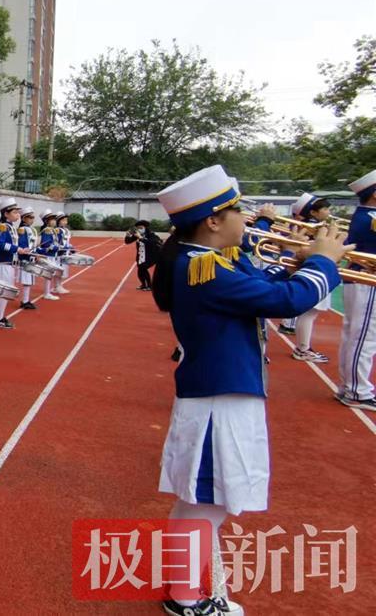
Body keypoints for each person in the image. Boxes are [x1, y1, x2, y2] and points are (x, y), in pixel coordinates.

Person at [151, 165, 349, 615]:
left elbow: (263, 287)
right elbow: (284, 303)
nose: (247, 217)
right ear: (213, 222)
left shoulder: (216, 260)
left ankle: (185, 591)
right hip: (221, 395)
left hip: (223, 391)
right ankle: (185, 599)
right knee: (210, 500)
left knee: (202, 498)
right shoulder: (202, 268)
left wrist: (303, 265)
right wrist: (321, 263)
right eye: (236, 209)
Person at [337, 170, 376, 412]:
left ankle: (350, 386)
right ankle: (357, 391)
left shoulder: (365, 215)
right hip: (367, 280)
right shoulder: (370, 218)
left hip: (360, 280)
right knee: (364, 338)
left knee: (354, 335)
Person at [286, 193, 334, 363]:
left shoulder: (311, 225)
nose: (329, 212)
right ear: (313, 213)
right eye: (326, 209)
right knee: (309, 313)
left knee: (309, 313)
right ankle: (302, 349)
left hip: (310, 269)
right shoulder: (313, 228)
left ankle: (303, 348)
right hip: (313, 270)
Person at [0, 198, 27, 329]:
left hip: (9, 263)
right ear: (6, 214)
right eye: (15, 212)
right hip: (3, 264)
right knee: (3, 291)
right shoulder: (3, 227)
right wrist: (16, 249)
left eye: (18, 212)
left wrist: (22, 250)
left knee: (5, 291)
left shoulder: (11, 227)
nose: (18, 215)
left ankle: (0, 317)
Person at [125, 220, 163, 291]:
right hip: (141, 256)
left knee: (143, 268)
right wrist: (127, 236)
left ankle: (149, 286)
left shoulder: (152, 235)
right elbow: (128, 242)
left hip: (151, 256)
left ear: (145, 227)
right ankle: (143, 284)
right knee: (140, 270)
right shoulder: (138, 234)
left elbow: (152, 243)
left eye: (141, 227)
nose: (139, 229)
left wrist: (141, 238)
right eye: (138, 228)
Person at [17, 207, 39, 309]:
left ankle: (26, 300)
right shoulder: (22, 230)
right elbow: (21, 244)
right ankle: (24, 301)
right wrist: (29, 251)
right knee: (27, 281)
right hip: (25, 258)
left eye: (33, 217)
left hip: (30, 257)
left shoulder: (30, 229)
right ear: (24, 218)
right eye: (30, 217)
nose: (32, 219)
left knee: (29, 281)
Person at [37, 211, 61, 301]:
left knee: (50, 274)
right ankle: (47, 293)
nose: (55, 221)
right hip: (48, 255)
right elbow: (46, 244)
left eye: (55, 219)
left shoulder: (51, 230)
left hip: (52, 255)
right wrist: (55, 248)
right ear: (47, 221)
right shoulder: (47, 231)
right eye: (52, 220)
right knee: (48, 274)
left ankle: (47, 292)